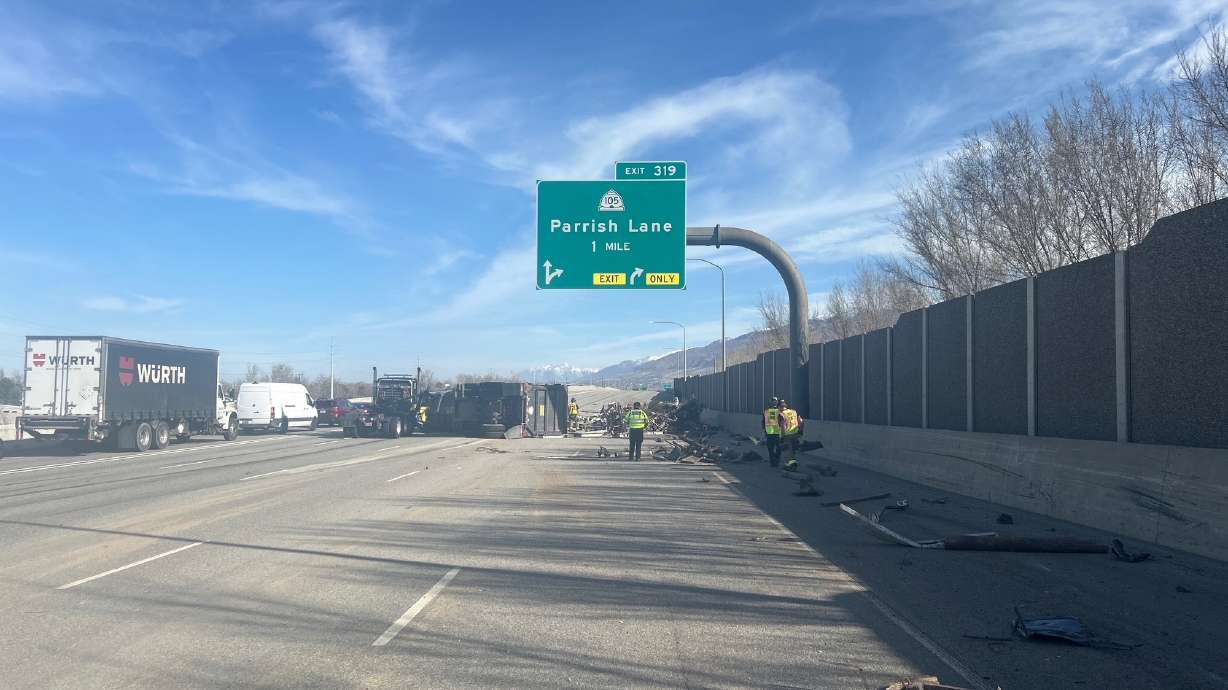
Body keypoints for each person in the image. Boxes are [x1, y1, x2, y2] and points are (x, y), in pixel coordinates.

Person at [779, 398, 803, 472]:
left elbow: (783, 426)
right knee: (792, 451)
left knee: (787, 451)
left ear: (779, 407)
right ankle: (791, 464)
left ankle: (791, 466)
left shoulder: (781, 414)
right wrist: (800, 431)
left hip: (787, 436)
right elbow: (801, 421)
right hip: (795, 434)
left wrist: (782, 437)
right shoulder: (794, 412)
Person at [762, 396, 782, 467]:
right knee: (770, 449)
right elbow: (763, 421)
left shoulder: (779, 410)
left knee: (779, 448)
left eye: (775, 401)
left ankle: (775, 460)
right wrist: (764, 430)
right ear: (771, 402)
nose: (774, 402)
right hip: (770, 433)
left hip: (777, 433)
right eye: (773, 401)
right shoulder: (768, 411)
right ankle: (773, 462)